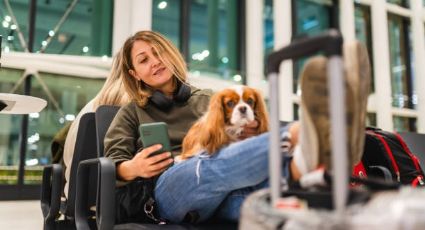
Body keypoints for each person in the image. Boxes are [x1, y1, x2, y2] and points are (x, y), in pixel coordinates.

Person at [104, 30, 370, 223]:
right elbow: (110, 164)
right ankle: (309, 135)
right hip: (168, 190)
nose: (155, 61)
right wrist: (131, 168)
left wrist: (249, 136)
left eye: (158, 52)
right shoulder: (130, 113)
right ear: (134, 74)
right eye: (143, 59)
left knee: (265, 204)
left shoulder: (209, 99)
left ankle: (309, 165)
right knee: (206, 161)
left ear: (171, 54)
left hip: (226, 191)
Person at [62, 52, 130, 198]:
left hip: (80, 196)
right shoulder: (137, 109)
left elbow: (68, 158)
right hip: (119, 201)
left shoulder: (89, 107)